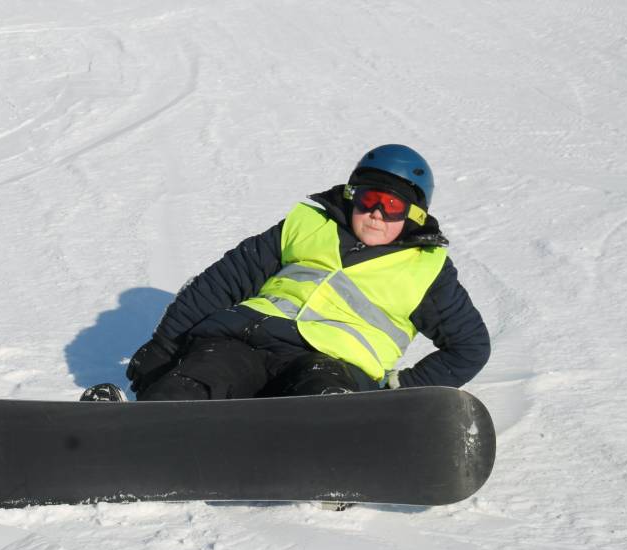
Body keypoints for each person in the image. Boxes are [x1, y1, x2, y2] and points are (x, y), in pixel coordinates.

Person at [80, 144, 489, 402]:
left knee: (324, 392)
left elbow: (469, 346)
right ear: (352, 197)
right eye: (368, 199)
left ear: (415, 215)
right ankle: (135, 431)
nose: (377, 214)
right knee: (204, 371)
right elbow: (220, 283)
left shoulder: (427, 271)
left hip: (333, 363)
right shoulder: (308, 226)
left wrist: (401, 390)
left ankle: (335, 454)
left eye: (393, 206)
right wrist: (165, 346)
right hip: (248, 341)